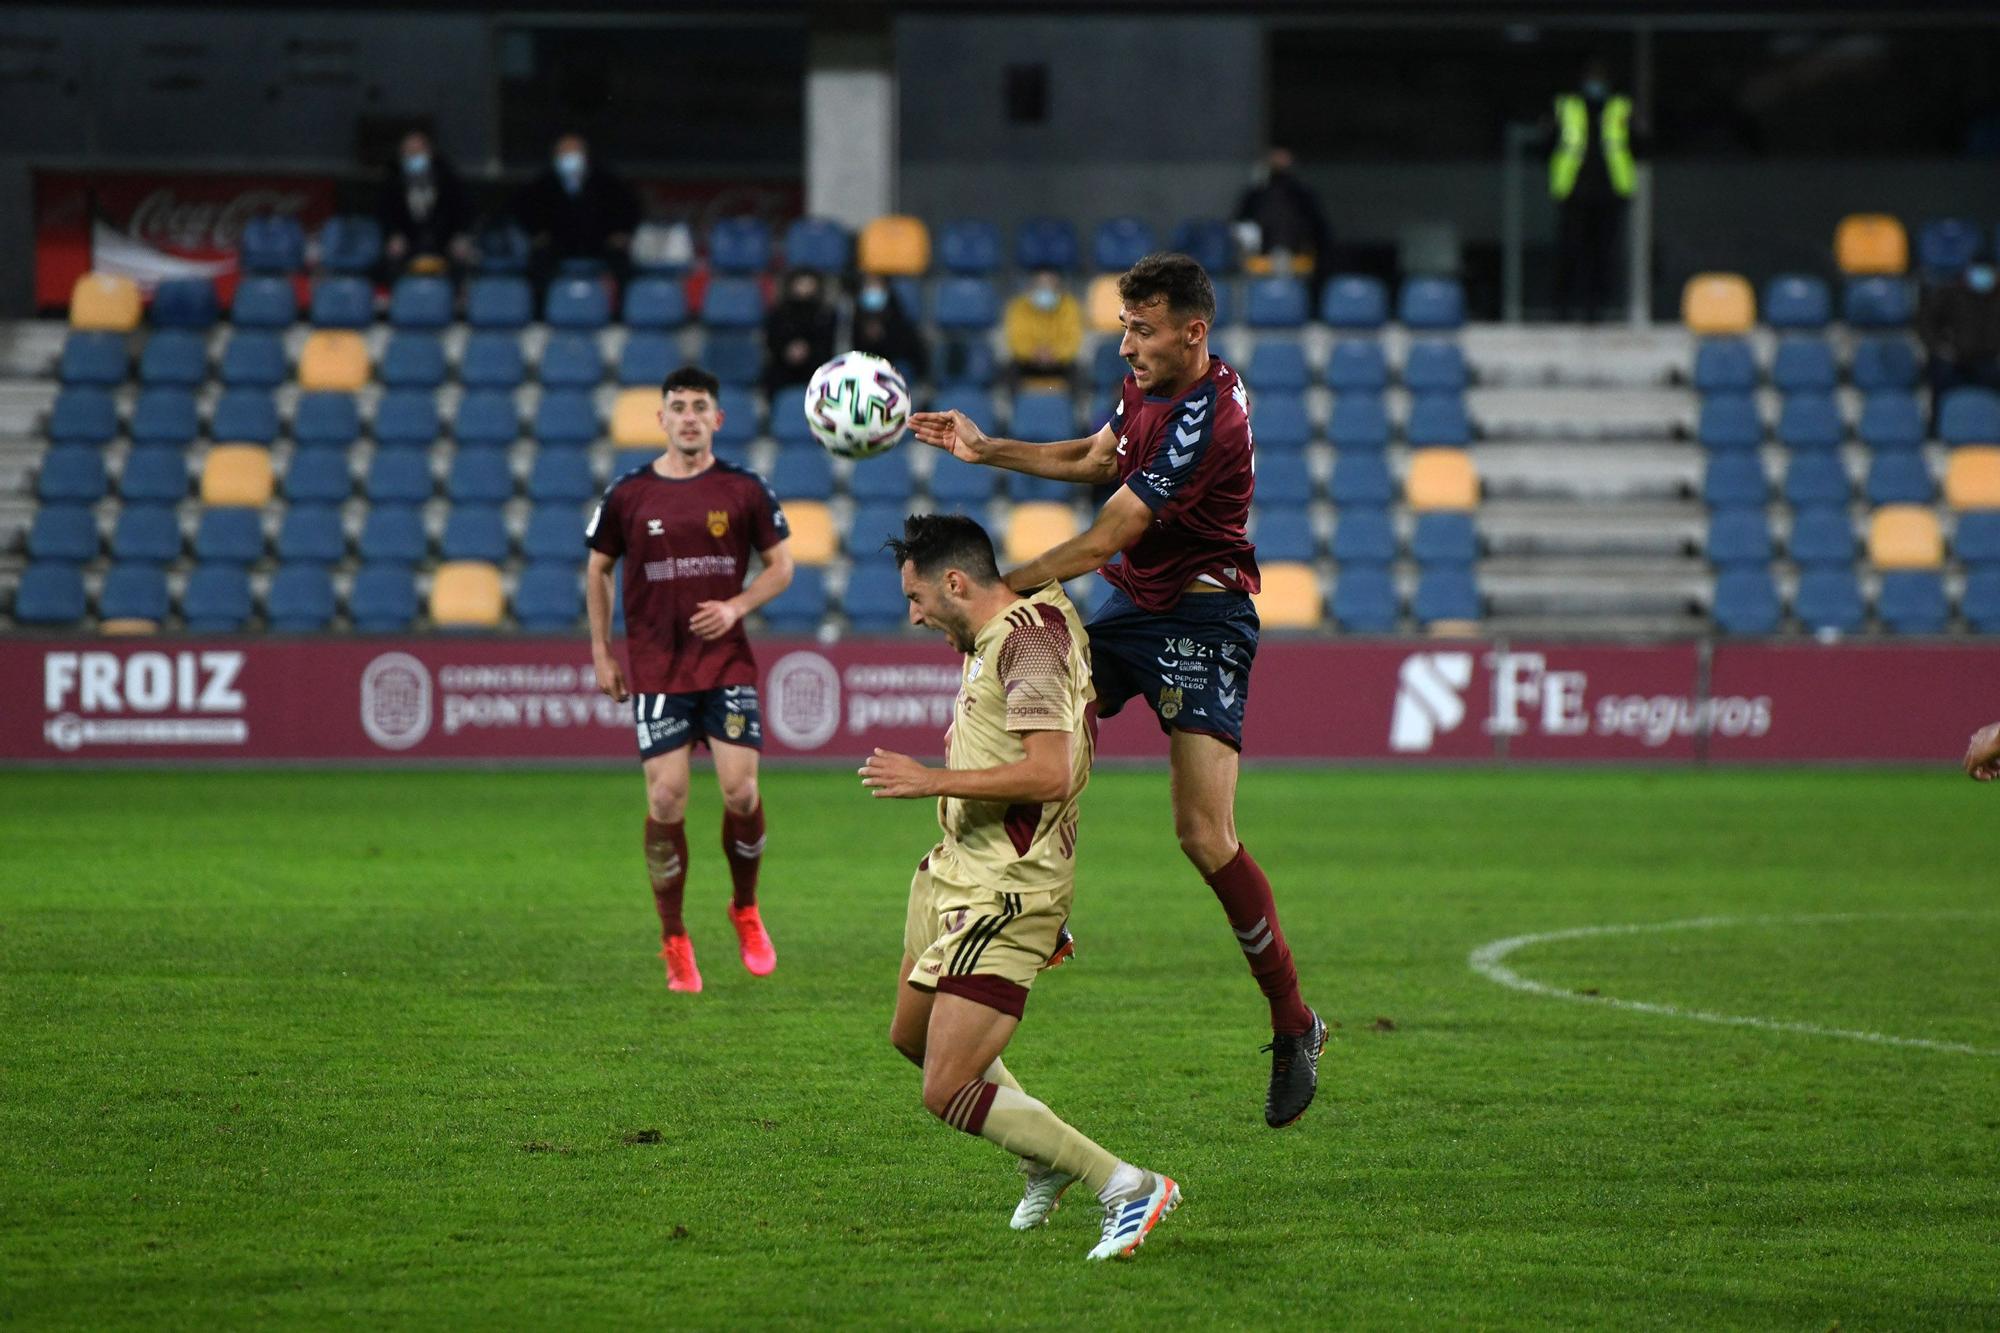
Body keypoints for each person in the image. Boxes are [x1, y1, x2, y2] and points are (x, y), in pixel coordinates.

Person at [909, 253, 1326, 1129]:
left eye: (1141, 329)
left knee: (1203, 835)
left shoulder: (1209, 419)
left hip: (1206, 621)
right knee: (1023, 708)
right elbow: (1100, 456)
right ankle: (1040, 899)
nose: (1125, 344)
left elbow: (1107, 535)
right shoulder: (1146, 380)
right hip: (1137, 607)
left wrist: (1001, 588)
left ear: (1193, 331)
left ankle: (1295, 1022)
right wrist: (991, 450)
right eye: (1124, 326)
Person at [863, 513, 1181, 1261]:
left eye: (916, 597)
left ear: (954, 581)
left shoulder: (1029, 641)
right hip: (953, 870)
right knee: (910, 1037)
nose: (912, 615)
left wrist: (929, 779)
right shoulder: (998, 627)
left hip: (1008, 890)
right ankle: (1041, 1154)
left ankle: (1125, 1183)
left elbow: (1051, 770)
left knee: (945, 1088)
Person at [586, 364, 794, 993]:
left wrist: (736, 607)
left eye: (700, 406)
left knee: (740, 793)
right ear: (661, 418)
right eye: (677, 406)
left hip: (724, 662)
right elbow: (597, 570)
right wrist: (601, 651)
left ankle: (745, 908)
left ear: (717, 419)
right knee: (665, 799)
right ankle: (674, 936)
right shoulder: (628, 493)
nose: (688, 416)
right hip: (655, 666)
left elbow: (782, 566)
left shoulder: (744, 489)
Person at [1545, 58, 1644, 323]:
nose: (1595, 82)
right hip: (1573, 193)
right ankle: (1562, 309)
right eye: (1592, 76)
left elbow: (1640, 146)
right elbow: (1547, 145)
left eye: (1600, 77)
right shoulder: (1567, 106)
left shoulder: (1620, 108)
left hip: (1609, 193)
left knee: (1602, 256)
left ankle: (1595, 311)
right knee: (1571, 252)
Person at [515, 132, 642, 294]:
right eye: (564, 153)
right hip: (558, 242)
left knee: (621, 260)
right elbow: (523, 210)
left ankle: (624, 310)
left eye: (574, 153)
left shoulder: (607, 181)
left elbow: (630, 208)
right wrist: (536, 233)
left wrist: (622, 232)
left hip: (599, 240)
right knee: (539, 260)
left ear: (585, 155)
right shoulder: (543, 183)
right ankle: (540, 311)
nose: (569, 158)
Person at [377, 130, 475, 279]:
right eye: (409, 152)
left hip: (443, 240)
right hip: (409, 240)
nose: (414, 156)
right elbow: (385, 214)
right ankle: (396, 298)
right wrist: (393, 235)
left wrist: (460, 237)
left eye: (418, 151)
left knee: (463, 257)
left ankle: (457, 298)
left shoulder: (448, 179)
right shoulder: (392, 182)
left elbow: (463, 211)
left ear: (429, 152)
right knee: (389, 258)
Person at [1917, 261, 2000, 428]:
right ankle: (1937, 428)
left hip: (1989, 360)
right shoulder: (1950, 293)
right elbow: (1926, 323)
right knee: (1939, 377)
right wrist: (1940, 348)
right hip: (1954, 360)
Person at [1231, 148, 1330, 288]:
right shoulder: (1255, 195)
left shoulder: (1303, 196)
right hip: (1261, 258)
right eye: (1276, 162)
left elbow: (1319, 229)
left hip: (1298, 258)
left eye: (1283, 161)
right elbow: (1240, 225)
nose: (1280, 164)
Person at [1002, 269, 1085, 390]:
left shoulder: (1069, 306)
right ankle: (1009, 408)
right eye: (1041, 286)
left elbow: (1072, 339)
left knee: (1078, 373)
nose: (1045, 290)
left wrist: (1055, 354)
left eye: (1049, 286)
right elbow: (1015, 339)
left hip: (1058, 361)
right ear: (1032, 288)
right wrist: (1033, 353)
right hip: (1028, 361)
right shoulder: (1019, 307)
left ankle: (1079, 409)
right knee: (1009, 371)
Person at [762, 268, 837, 396]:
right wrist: (788, 351)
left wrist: (807, 351)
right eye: (801, 283)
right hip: (782, 369)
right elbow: (772, 340)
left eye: (809, 284)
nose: (805, 289)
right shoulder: (779, 314)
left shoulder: (825, 315)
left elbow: (827, 344)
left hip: (815, 368)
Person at [850, 274, 930, 385]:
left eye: (877, 285)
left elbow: (918, 358)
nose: (873, 290)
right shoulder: (852, 322)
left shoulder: (900, 323)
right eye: (869, 286)